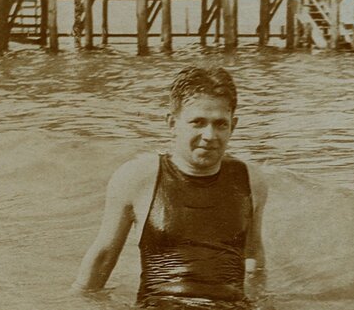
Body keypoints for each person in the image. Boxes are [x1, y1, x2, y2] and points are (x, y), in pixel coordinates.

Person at [72, 66, 269, 309]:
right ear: (172, 123)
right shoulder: (137, 177)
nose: (210, 135)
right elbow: (103, 257)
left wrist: (262, 302)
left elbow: (254, 256)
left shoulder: (251, 180)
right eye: (198, 122)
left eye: (220, 124)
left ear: (233, 125)